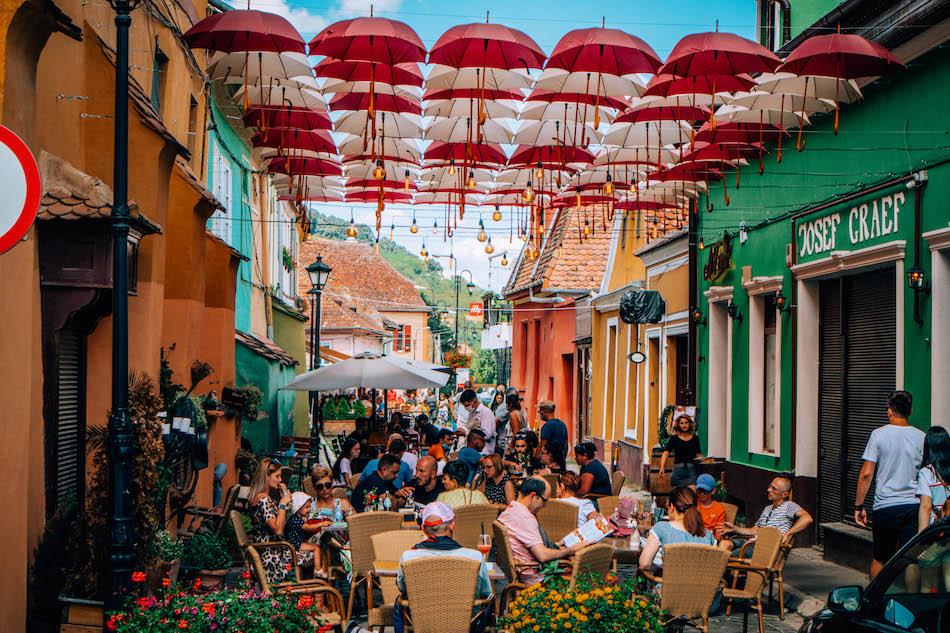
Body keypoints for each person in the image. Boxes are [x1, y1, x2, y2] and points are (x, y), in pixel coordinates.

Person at [854, 390, 925, 580]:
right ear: (910, 411)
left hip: (885, 506)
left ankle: (874, 602)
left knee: (880, 558)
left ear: (889, 411)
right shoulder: (921, 437)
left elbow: (866, 474)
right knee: (911, 557)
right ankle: (912, 600)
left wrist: (859, 506)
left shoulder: (878, 435)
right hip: (913, 506)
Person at [393, 502, 493, 633]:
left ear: (423, 529)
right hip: (466, 624)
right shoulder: (475, 557)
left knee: (398, 603)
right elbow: (486, 592)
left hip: (422, 624)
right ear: (452, 525)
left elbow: (402, 587)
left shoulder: (408, 557)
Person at [497, 476, 587, 584]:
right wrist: (570, 550)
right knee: (585, 574)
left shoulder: (510, 511)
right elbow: (542, 555)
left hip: (522, 572)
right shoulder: (525, 518)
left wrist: (561, 543)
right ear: (534, 496)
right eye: (544, 501)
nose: (544, 506)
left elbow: (531, 544)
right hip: (537, 579)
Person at [247, 458, 313, 582]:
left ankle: (307, 594)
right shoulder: (264, 500)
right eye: (277, 476)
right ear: (266, 476)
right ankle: (308, 595)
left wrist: (284, 502)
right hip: (272, 555)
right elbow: (278, 530)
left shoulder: (260, 498)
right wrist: (282, 504)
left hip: (272, 549)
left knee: (314, 551)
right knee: (315, 555)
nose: (280, 480)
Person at [724, 475, 813, 554]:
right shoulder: (768, 508)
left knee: (725, 556)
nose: (768, 490)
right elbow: (755, 530)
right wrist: (734, 528)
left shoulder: (789, 506)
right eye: (770, 486)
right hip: (753, 543)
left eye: (774, 489)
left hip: (764, 549)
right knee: (725, 544)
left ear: (784, 494)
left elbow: (807, 518)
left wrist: (788, 533)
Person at [639, 487, 719, 573]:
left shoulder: (661, 528)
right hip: (704, 586)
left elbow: (645, 564)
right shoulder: (707, 534)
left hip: (669, 586)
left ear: (672, 507)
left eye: (667, 508)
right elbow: (714, 569)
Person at [915, 427, 950, 593]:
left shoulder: (927, 473)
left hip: (936, 534)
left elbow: (926, 506)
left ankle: (928, 617)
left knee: (929, 586)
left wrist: (922, 537)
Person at [284, 492, 329, 579]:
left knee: (318, 545)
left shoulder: (296, 518)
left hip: (297, 542)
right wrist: (321, 523)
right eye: (306, 507)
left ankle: (320, 568)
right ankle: (318, 570)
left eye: (309, 507)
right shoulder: (295, 519)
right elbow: (308, 527)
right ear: (298, 508)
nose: (308, 510)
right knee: (316, 548)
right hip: (295, 544)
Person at [659, 414, 703, 487]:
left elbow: (698, 454)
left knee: (691, 494)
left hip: (691, 471)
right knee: (677, 495)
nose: (684, 425)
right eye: (681, 423)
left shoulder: (695, 438)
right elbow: (665, 453)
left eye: (686, 423)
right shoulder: (674, 438)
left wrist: (703, 464)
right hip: (678, 470)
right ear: (678, 425)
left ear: (689, 424)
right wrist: (662, 467)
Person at [457, 388, 497, 455]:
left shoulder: (486, 412)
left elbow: (487, 435)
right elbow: (469, 428)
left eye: (467, 405)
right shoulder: (471, 413)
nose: (466, 408)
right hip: (473, 451)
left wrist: (466, 433)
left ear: (475, 401)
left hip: (484, 452)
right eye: (464, 406)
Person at [695, 474, 727, 541]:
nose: (702, 494)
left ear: (713, 491)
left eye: (705, 491)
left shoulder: (719, 509)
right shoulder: (693, 504)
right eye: (699, 491)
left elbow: (718, 537)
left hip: (709, 541)